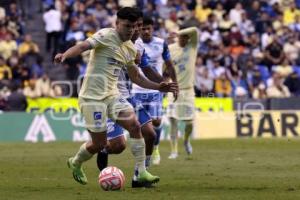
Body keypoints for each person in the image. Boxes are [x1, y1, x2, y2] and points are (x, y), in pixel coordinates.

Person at [54, 7, 177, 185]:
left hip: (112, 95)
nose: (132, 30)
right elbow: (82, 46)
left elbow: (136, 77)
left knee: (135, 126)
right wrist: (65, 55)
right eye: (128, 26)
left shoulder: (130, 48)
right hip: (92, 98)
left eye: (135, 26)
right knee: (99, 144)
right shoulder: (105, 35)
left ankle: (141, 172)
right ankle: (76, 162)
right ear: (117, 24)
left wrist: (159, 87)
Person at [96, 10, 177, 188]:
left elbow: (146, 70)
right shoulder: (111, 40)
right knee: (117, 146)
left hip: (128, 97)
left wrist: (164, 83)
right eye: (136, 26)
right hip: (111, 97)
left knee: (150, 133)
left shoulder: (138, 46)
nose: (138, 29)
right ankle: (103, 147)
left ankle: (139, 175)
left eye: (140, 26)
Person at [132, 16, 177, 165]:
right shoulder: (133, 44)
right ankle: (144, 156)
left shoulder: (161, 43)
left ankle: (155, 148)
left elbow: (169, 65)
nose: (145, 31)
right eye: (143, 28)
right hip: (137, 89)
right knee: (140, 126)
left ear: (153, 29)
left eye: (148, 28)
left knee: (157, 121)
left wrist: (174, 83)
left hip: (155, 90)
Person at [167, 26, 199, 159]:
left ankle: (186, 140)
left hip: (188, 90)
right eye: (182, 37)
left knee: (190, 123)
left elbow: (195, 30)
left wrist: (178, 33)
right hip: (174, 88)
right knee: (172, 120)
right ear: (178, 38)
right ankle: (174, 151)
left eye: (186, 37)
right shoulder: (170, 49)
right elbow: (164, 67)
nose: (185, 40)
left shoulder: (192, 47)